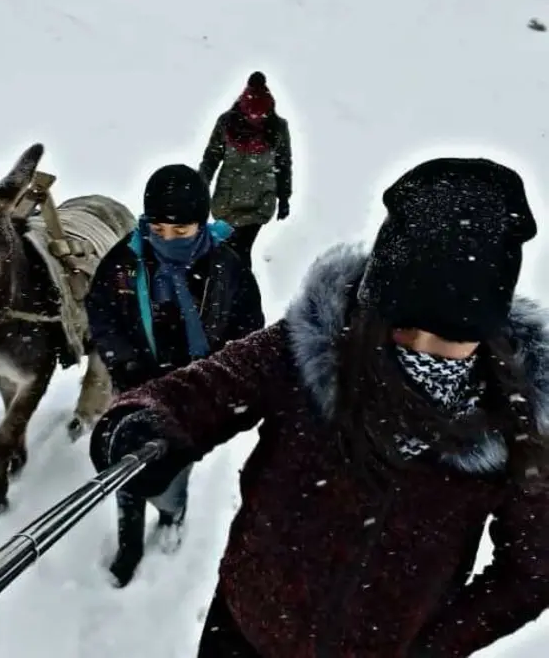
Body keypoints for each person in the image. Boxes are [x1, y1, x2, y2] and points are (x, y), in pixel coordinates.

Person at [89, 156, 549, 656]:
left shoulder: (517, 421)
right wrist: (143, 421)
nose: (420, 350)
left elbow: (531, 571)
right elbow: (205, 389)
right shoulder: (314, 344)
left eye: (449, 338)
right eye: (401, 325)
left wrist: (430, 645)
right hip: (241, 630)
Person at [85, 163, 265, 588]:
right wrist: (125, 363)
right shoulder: (125, 262)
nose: (167, 239)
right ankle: (130, 541)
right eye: (158, 229)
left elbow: (248, 330)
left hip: (194, 395)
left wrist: (217, 378)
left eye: (180, 231)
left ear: (201, 224)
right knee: (126, 465)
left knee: (174, 463)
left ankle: (172, 510)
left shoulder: (227, 267)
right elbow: (101, 312)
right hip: (137, 386)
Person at [199, 71, 292, 270]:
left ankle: (239, 285)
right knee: (228, 251)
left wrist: (284, 197)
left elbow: (283, 163)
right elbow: (211, 158)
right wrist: (201, 185)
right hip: (227, 203)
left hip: (259, 203)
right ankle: (229, 284)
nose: (255, 119)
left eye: (260, 116)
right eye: (251, 115)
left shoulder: (278, 128)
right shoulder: (226, 123)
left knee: (240, 251)